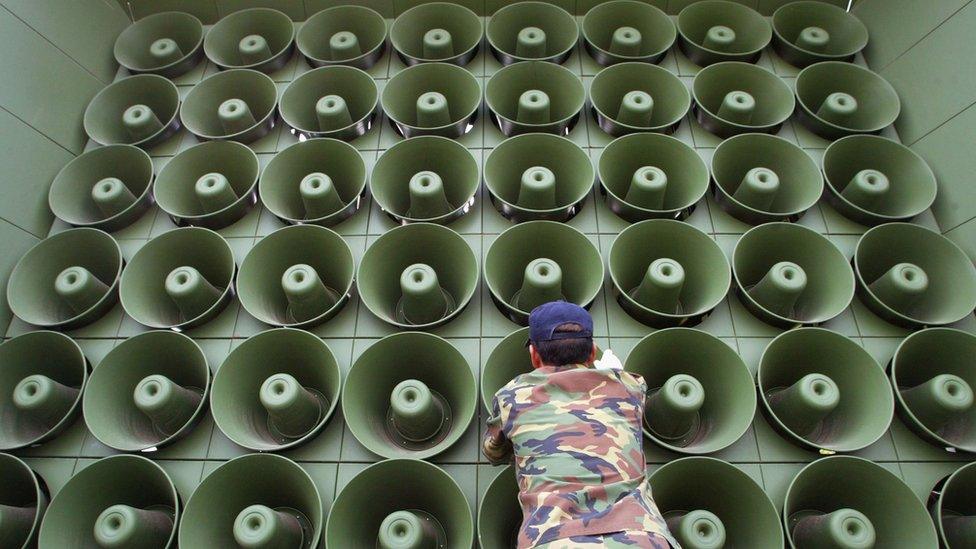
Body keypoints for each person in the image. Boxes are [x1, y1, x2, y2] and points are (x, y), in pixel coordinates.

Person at [484, 301, 678, 549]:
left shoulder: (510, 397)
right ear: (592, 352)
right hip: (642, 537)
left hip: (555, 540)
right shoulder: (631, 387)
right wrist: (617, 375)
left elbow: (493, 452)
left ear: (534, 355)